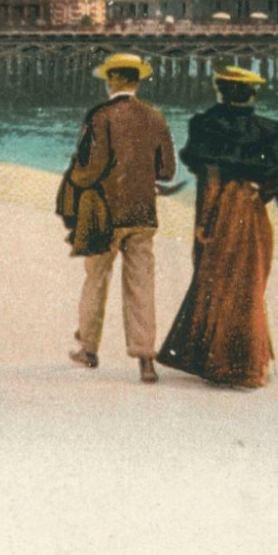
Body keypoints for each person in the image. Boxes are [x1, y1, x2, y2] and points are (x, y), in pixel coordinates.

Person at [157, 66, 278, 388]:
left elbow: (210, 178)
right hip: (250, 210)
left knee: (215, 281)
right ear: (252, 94)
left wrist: (205, 223)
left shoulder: (207, 125)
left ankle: (217, 361)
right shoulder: (264, 129)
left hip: (221, 207)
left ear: (221, 91)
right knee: (250, 284)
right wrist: (261, 194)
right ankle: (251, 363)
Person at [59, 52, 177, 384]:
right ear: (137, 82)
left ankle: (88, 349)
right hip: (143, 213)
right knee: (141, 285)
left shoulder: (101, 116)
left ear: (112, 81)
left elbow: (91, 167)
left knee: (96, 278)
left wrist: (76, 181)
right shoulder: (155, 116)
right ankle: (146, 360)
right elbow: (167, 171)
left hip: (105, 214)